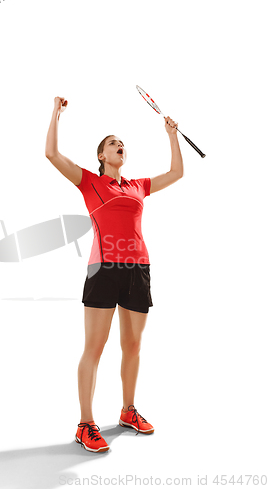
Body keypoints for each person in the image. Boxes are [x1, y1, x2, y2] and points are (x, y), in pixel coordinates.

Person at [45, 96, 184, 453]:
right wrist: (55, 115)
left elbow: (176, 173)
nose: (119, 146)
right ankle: (85, 424)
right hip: (104, 269)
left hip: (138, 268)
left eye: (122, 144)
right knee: (95, 346)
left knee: (133, 345)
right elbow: (52, 155)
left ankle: (128, 410)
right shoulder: (90, 182)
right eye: (112, 144)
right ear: (101, 156)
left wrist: (172, 136)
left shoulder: (137, 185)